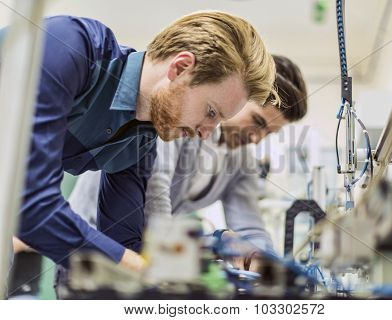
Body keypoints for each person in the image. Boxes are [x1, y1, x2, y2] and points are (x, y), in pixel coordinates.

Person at [2, 12, 277, 271]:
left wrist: (217, 246)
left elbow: (128, 244)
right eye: (211, 112)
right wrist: (140, 270)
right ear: (180, 68)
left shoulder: (141, 141)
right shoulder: (72, 46)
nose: (206, 133)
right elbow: (30, 203)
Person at [67, 55, 307, 271]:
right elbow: (156, 196)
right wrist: (211, 244)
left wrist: (271, 269)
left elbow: (249, 227)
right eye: (257, 121)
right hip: (92, 247)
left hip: (145, 253)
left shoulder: (242, 160)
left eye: (269, 133)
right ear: (239, 98)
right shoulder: (186, 124)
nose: (257, 138)